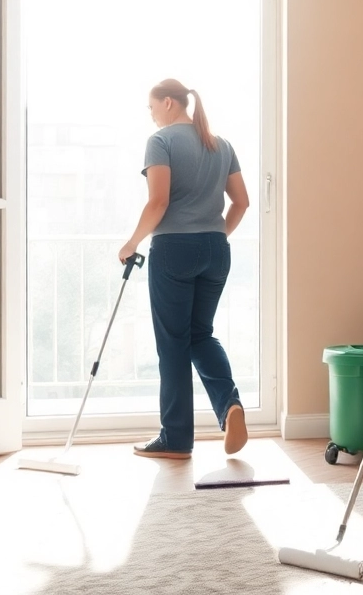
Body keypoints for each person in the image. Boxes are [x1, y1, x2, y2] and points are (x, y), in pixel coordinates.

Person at [119, 78, 251, 460]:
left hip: (174, 250)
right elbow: (241, 202)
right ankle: (229, 405)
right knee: (200, 334)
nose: (151, 115)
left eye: (152, 107)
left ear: (169, 103)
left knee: (173, 343)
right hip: (215, 249)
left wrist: (131, 243)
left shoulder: (160, 142)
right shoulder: (220, 143)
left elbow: (158, 201)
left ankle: (176, 438)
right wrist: (213, 235)